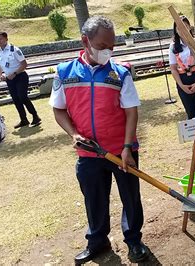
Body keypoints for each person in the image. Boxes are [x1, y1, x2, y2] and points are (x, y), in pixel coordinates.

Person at [49, 16, 151, 263]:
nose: (109, 51)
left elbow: (131, 111)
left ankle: (134, 240)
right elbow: (58, 109)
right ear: (86, 41)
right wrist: (74, 134)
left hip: (121, 150)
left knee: (130, 198)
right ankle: (97, 241)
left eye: (112, 46)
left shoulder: (120, 74)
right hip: (89, 153)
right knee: (93, 199)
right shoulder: (65, 73)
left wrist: (127, 147)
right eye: (104, 45)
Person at [169, 16, 195, 151]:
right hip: (183, 83)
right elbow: (173, 69)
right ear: (176, 30)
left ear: (190, 27)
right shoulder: (173, 47)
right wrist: (182, 86)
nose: (183, 29)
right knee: (190, 112)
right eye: (179, 27)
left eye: (185, 26)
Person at [0, 32, 41, 128]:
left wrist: (15, 73)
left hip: (20, 76)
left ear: (6, 39)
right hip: (9, 79)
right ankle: (23, 119)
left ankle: (35, 116)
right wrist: (0, 75)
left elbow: (24, 64)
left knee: (22, 96)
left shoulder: (14, 50)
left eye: (0, 39)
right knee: (16, 99)